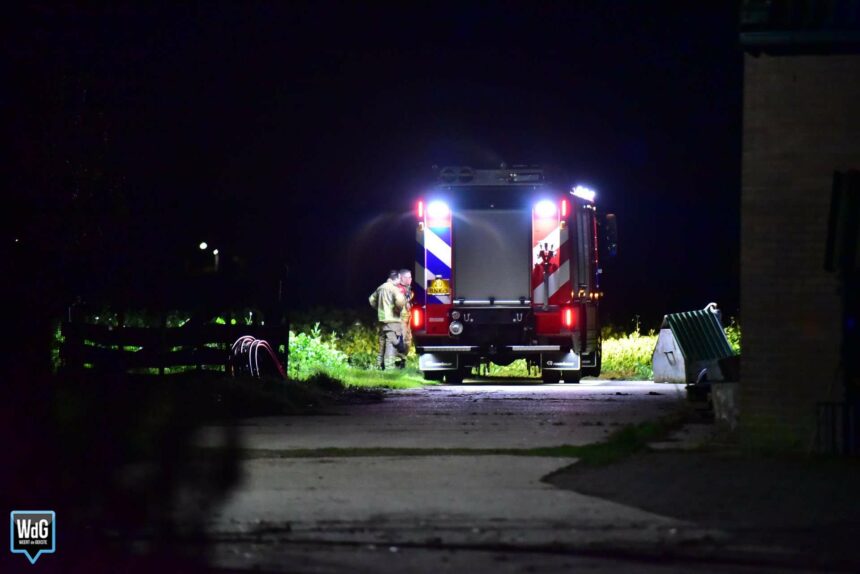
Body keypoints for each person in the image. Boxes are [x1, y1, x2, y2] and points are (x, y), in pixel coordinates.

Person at [368, 270, 407, 369]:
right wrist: (398, 309)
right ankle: (389, 369)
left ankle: (379, 366)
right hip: (393, 321)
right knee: (391, 344)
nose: (400, 281)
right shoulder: (394, 289)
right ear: (396, 278)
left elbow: (371, 300)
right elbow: (400, 302)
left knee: (382, 344)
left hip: (382, 320)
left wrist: (379, 308)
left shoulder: (380, 288)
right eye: (399, 279)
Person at [395, 268, 414, 368]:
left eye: (410, 277)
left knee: (407, 340)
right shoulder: (398, 289)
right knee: (401, 340)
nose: (411, 279)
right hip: (400, 319)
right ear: (402, 278)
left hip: (407, 318)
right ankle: (397, 361)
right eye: (409, 277)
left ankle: (402, 359)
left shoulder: (408, 289)